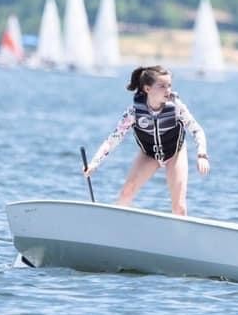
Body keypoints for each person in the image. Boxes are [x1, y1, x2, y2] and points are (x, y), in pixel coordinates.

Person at [84, 65, 209, 215]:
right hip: (148, 155)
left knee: (179, 208)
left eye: (169, 85)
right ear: (147, 89)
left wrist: (202, 155)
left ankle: (179, 236)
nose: (167, 90)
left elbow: (197, 130)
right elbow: (113, 139)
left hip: (174, 153)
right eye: (162, 86)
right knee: (126, 193)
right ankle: (116, 230)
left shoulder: (175, 107)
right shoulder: (134, 112)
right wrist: (94, 163)